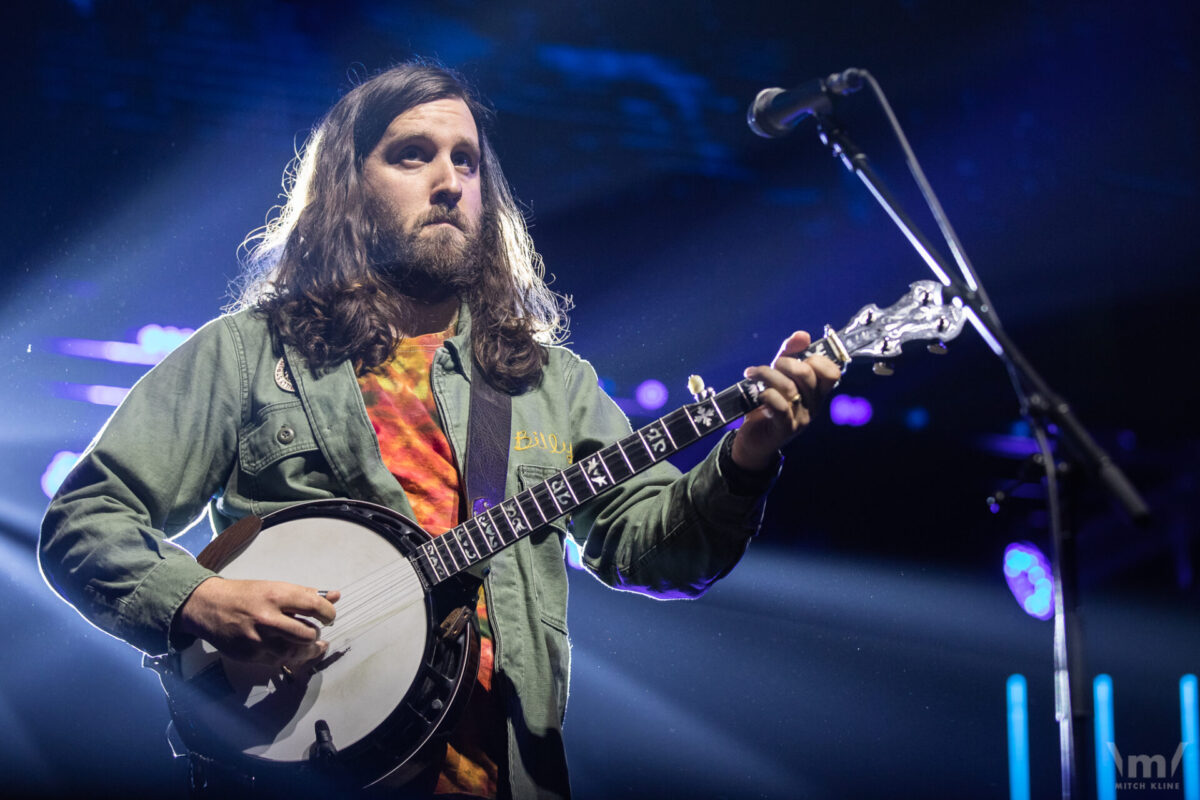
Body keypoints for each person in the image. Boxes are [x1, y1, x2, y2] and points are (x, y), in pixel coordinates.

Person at [38, 61, 841, 799]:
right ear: (349, 187)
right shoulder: (248, 354)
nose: (450, 181)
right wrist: (199, 598)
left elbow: (658, 553)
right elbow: (84, 522)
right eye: (414, 154)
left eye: (467, 160)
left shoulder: (550, 383)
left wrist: (745, 457)